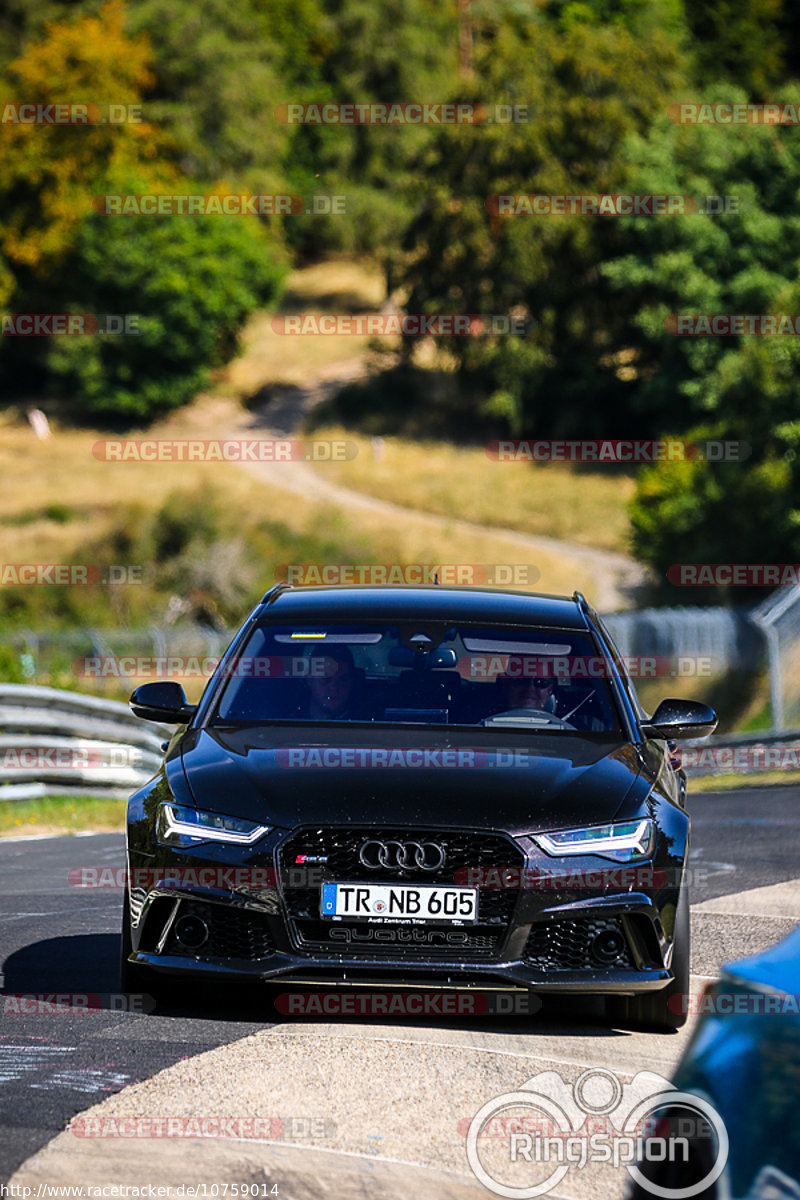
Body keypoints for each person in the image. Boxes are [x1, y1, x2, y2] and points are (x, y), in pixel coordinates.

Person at [306, 645, 358, 719]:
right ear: (310, 680)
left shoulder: (370, 724)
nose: (334, 686)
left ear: (352, 682)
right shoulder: (287, 720)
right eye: (326, 678)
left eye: (342, 679)